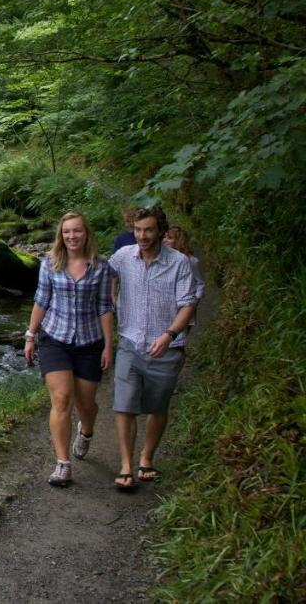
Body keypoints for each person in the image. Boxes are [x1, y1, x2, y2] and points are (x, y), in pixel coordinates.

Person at [108, 206, 197, 491]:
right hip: (130, 342)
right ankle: (125, 464)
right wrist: (110, 301)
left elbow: (188, 304)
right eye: (137, 230)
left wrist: (170, 335)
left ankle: (146, 459)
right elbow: (101, 274)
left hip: (166, 346)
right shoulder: (123, 257)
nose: (142, 236)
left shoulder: (179, 262)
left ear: (160, 230)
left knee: (157, 406)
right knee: (124, 404)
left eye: (148, 230)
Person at [25, 211, 115, 487]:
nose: (72, 236)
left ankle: (86, 432)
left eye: (77, 231)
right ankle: (63, 464)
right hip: (55, 339)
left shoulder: (101, 267)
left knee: (86, 404)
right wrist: (30, 335)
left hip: (89, 342)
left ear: (86, 233)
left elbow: (104, 307)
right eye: (67, 232)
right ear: (60, 236)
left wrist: (109, 345)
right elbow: (41, 300)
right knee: (62, 398)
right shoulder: (50, 263)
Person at [164, 226, 205, 303]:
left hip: (186, 303)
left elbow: (200, 283)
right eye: (164, 237)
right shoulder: (163, 259)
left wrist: (195, 301)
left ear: (179, 241)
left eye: (169, 238)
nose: (165, 240)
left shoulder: (191, 261)